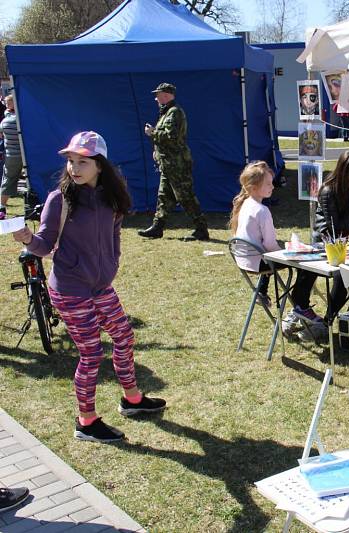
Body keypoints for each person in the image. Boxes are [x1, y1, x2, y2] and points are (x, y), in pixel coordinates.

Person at [12, 131, 167, 443]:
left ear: (100, 165)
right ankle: (86, 422)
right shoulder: (60, 200)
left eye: (82, 161)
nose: (75, 168)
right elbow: (43, 246)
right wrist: (28, 239)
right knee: (92, 354)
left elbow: (114, 235)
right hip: (69, 289)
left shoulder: (111, 197)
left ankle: (132, 400)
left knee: (124, 337)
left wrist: (112, 264)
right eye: (71, 161)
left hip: (100, 286)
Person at [282, 151, 349, 341]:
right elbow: (336, 228)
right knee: (333, 272)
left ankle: (326, 320)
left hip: (348, 244)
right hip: (325, 243)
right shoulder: (328, 191)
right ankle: (300, 310)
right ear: (346, 171)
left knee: (346, 276)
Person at [139, 82, 209, 241]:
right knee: (164, 197)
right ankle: (157, 227)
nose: (156, 99)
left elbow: (171, 137)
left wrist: (152, 133)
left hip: (177, 164)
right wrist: (156, 151)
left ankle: (201, 229)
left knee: (185, 196)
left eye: (157, 95)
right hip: (169, 164)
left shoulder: (174, 112)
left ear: (165, 95)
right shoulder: (167, 113)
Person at [229, 161, 280, 273]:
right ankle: (299, 291)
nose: (272, 186)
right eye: (268, 184)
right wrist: (285, 253)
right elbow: (270, 244)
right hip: (258, 262)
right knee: (303, 266)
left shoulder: (244, 204)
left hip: (242, 259)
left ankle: (261, 290)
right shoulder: (262, 211)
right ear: (254, 188)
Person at [0, 95, 22, 220]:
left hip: (11, 156)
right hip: (24, 155)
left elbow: (2, 136)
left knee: (8, 180)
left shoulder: (5, 121)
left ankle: (1, 207)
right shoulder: (20, 120)